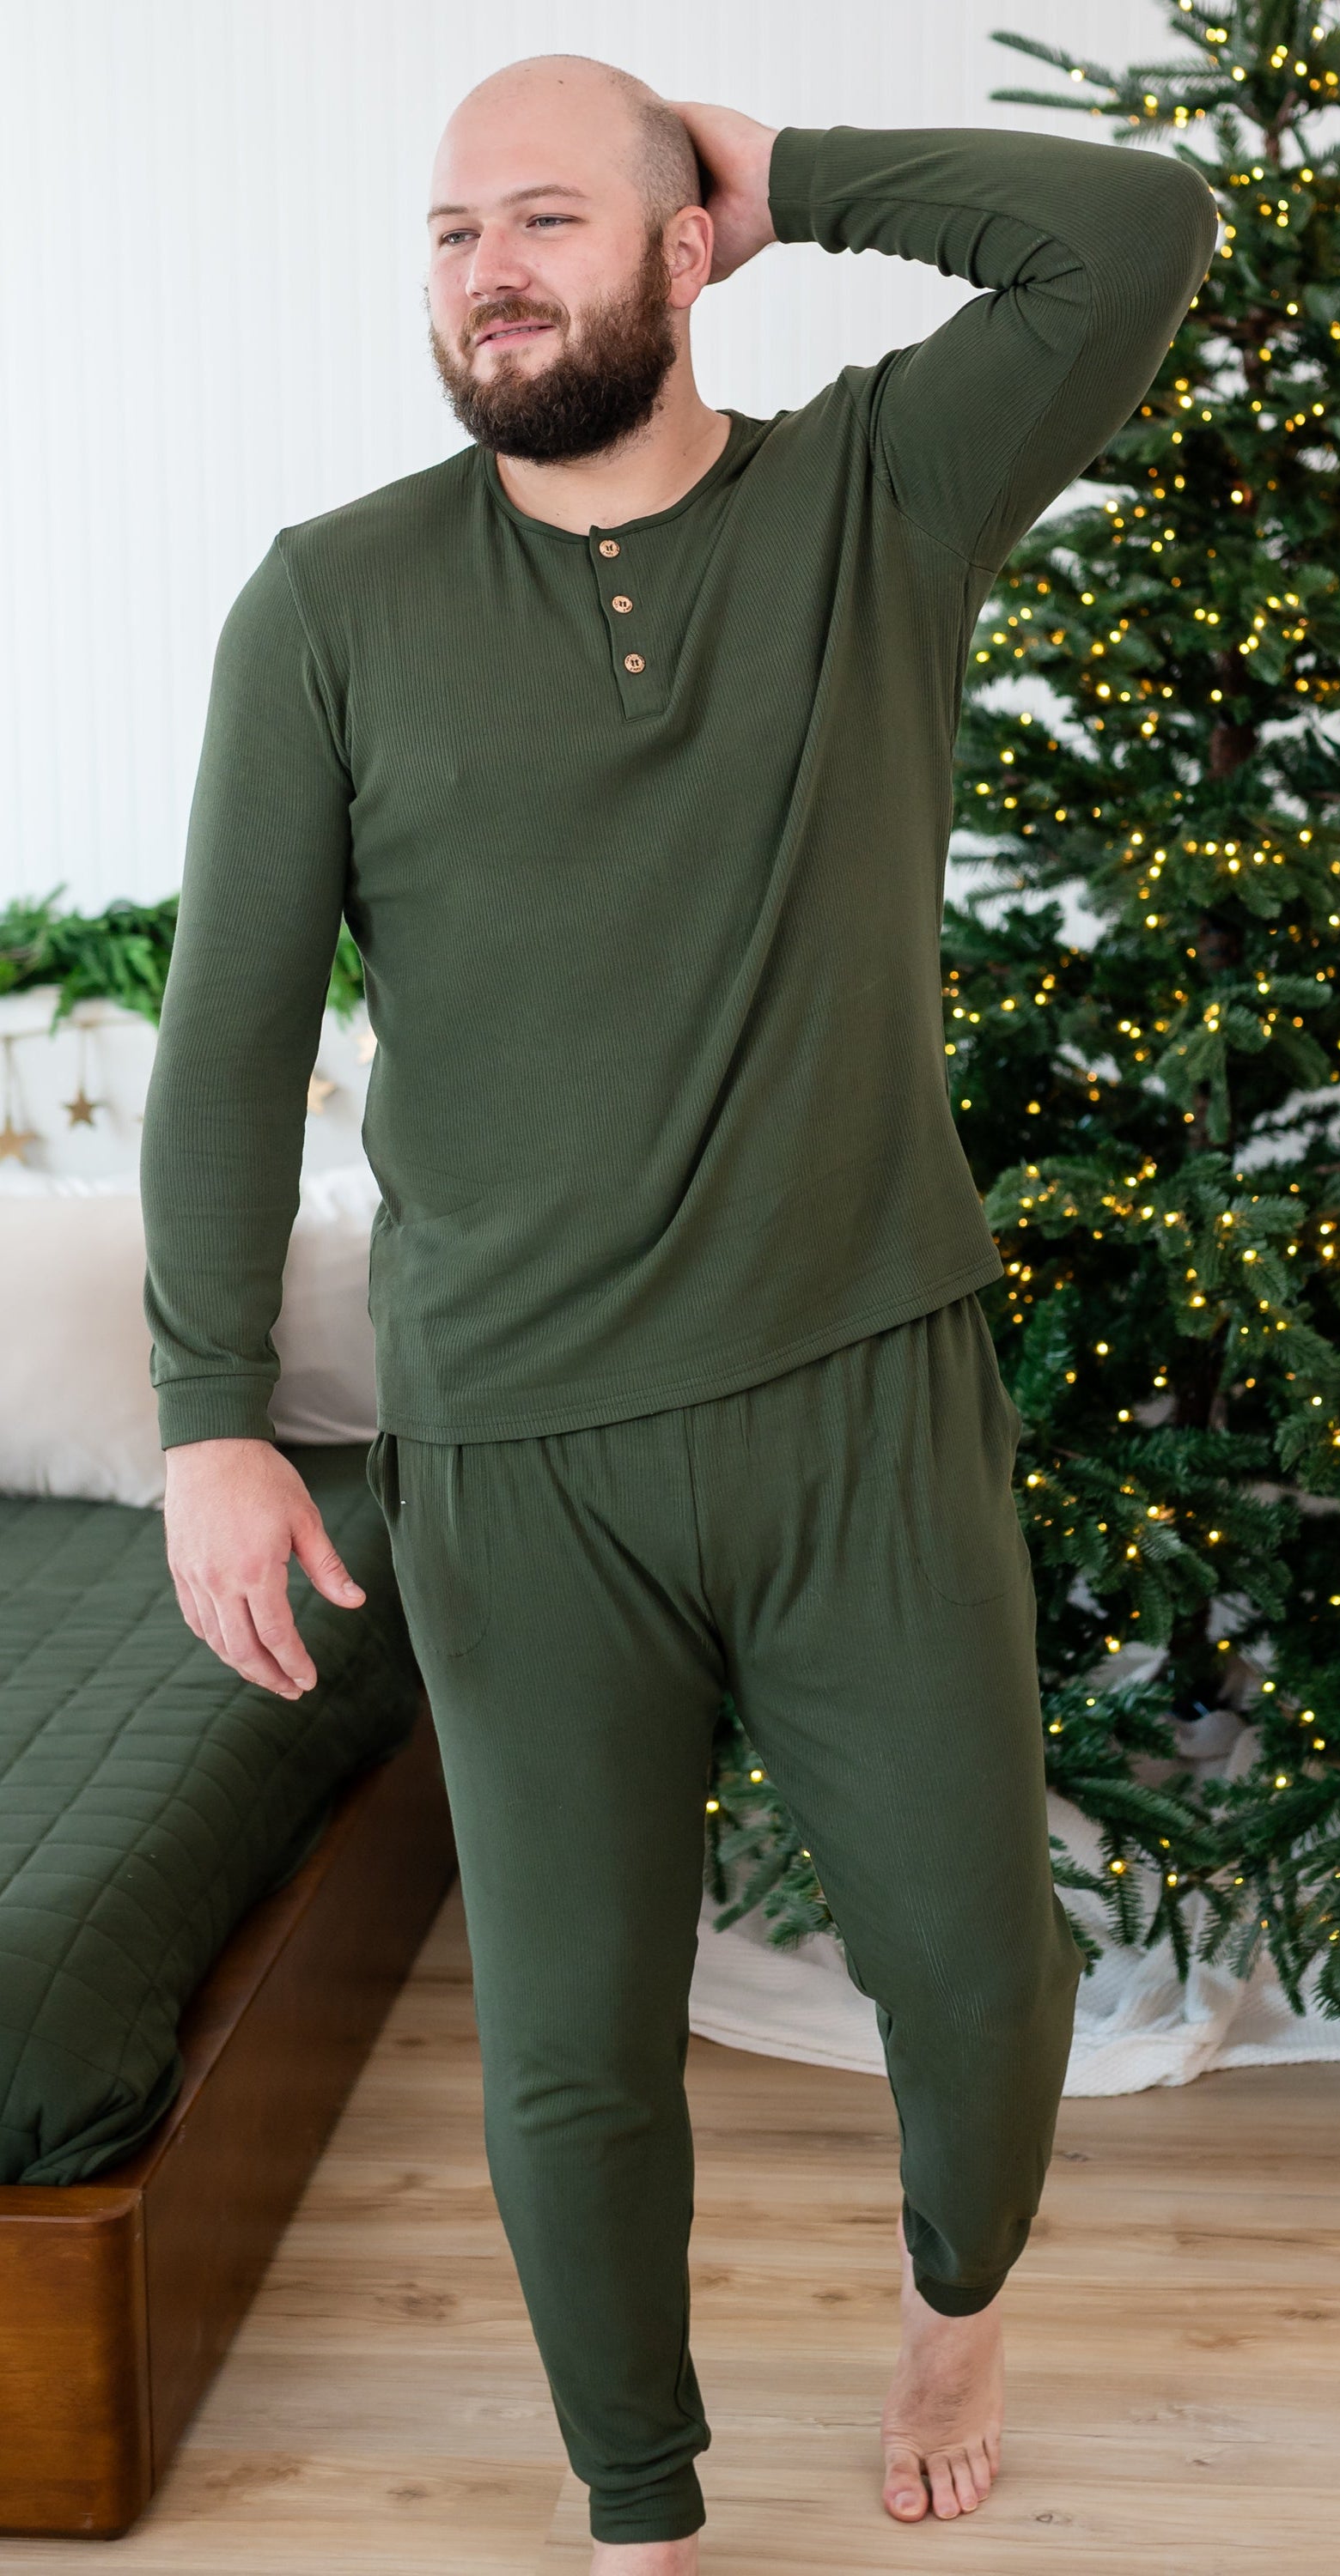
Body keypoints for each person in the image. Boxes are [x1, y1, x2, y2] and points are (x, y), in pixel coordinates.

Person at [139, 52, 1215, 2571]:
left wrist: (804, 172)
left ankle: (955, 2304)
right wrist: (212, 1415)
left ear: (678, 246)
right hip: (518, 1457)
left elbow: (1139, 233)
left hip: (863, 1394)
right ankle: (644, 2510)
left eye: (544, 216)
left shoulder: (874, 502)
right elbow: (229, 1032)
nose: (486, 269)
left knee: (981, 1988)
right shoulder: (330, 606)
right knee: (577, 2056)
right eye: (446, 233)